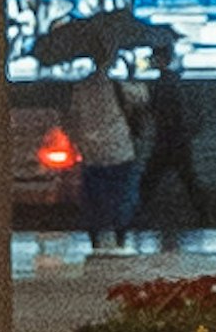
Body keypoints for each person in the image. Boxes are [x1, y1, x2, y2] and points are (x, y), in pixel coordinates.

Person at [65, 59, 136, 253]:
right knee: (121, 195)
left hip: (92, 153)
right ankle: (120, 237)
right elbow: (141, 99)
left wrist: (78, 142)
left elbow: (73, 118)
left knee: (93, 198)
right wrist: (131, 71)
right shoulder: (118, 86)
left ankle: (95, 239)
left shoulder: (80, 88)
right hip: (119, 150)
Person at [133, 60, 203, 250]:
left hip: (165, 140)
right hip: (179, 140)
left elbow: (153, 109)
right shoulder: (175, 82)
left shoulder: (161, 84)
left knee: (149, 179)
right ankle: (202, 212)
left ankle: (137, 214)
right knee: (188, 178)